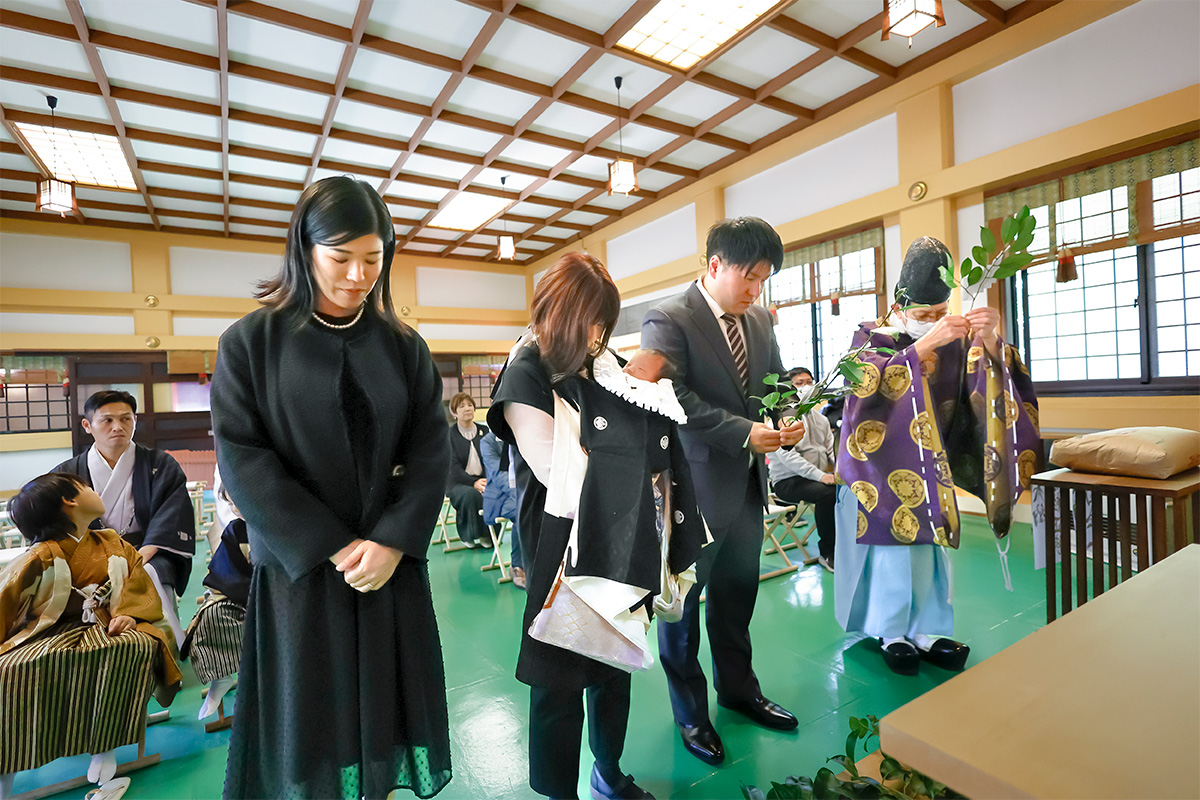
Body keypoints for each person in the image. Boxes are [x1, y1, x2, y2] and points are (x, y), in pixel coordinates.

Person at [210, 175, 452, 799]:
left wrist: (393, 540)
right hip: (304, 574)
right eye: (340, 257)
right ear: (305, 248)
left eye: (373, 258)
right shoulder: (250, 343)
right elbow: (243, 459)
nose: (358, 275)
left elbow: (431, 450)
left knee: (388, 718)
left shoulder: (404, 347)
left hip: (388, 569)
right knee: (310, 724)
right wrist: (334, 546)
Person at [488, 253, 707, 800]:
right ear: (554, 312)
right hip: (560, 540)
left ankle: (608, 772)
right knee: (558, 677)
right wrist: (637, 454)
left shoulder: (603, 362)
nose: (594, 337)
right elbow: (560, 472)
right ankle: (558, 790)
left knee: (613, 663)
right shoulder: (526, 371)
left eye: (601, 325)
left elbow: (642, 429)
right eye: (586, 322)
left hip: (623, 526)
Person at [833, 236, 1040, 675]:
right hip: (878, 470)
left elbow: (983, 381)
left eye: (940, 313)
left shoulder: (951, 339)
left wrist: (990, 337)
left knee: (931, 548)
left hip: (929, 465)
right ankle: (889, 632)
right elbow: (864, 391)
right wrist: (923, 346)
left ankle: (926, 628)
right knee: (891, 555)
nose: (933, 322)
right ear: (900, 307)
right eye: (923, 315)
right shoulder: (870, 338)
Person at [640, 216, 805, 766]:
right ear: (716, 265)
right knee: (683, 610)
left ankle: (738, 691)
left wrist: (787, 416)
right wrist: (742, 432)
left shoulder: (757, 320)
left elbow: (776, 381)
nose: (757, 290)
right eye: (750, 277)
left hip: (748, 489)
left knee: (737, 598)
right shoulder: (669, 318)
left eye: (764, 280)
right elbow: (671, 397)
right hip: (692, 490)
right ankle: (691, 714)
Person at [1, 472, 182, 800]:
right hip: (48, 633)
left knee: (132, 647)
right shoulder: (41, 554)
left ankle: (105, 749)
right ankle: (7, 770)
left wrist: (130, 613)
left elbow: (137, 582)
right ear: (69, 502)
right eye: (84, 487)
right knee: (14, 669)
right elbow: (7, 599)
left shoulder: (113, 542)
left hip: (106, 626)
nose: (92, 489)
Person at [54, 390, 196, 602]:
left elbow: (172, 513)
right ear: (87, 425)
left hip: (147, 552)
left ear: (135, 421)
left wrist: (139, 558)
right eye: (107, 420)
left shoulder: (160, 465)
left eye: (125, 419)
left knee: (151, 575)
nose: (117, 427)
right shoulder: (67, 474)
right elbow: (52, 522)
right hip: (87, 558)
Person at [180, 478, 250, 721]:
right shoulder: (236, 530)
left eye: (238, 501)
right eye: (230, 504)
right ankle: (220, 677)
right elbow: (225, 573)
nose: (235, 509)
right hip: (242, 597)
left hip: (277, 599)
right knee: (209, 619)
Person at [768, 367, 838, 572]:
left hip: (817, 478)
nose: (805, 387)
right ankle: (828, 553)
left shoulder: (821, 419)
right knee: (828, 494)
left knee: (848, 489)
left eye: (809, 382)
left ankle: (848, 547)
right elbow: (788, 457)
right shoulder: (781, 420)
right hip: (787, 481)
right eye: (798, 384)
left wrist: (842, 471)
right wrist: (821, 476)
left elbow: (831, 450)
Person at [479, 428, 523, 587]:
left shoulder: (522, 435)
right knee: (522, 511)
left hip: (522, 491)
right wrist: (523, 491)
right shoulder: (488, 442)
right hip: (499, 498)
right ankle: (518, 566)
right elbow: (499, 475)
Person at [446, 392, 490, 548]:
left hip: (483, 479)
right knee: (470, 495)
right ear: (454, 412)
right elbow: (452, 467)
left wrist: (487, 480)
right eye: (462, 406)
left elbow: (491, 459)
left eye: (470, 405)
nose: (467, 409)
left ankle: (489, 534)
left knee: (495, 491)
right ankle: (469, 535)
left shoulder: (484, 431)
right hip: (458, 482)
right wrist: (473, 483)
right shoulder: (449, 435)